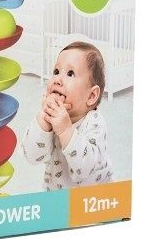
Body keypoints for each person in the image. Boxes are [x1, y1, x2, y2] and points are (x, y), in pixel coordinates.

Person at [20, 41, 112, 189]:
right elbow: (31, 157)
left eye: (70, 73)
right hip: (57, 195)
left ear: (91, 96)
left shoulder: (95, 122)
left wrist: (65, 130)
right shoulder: (51, 118)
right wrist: (43, 120)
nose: (57, 80)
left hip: (93, 198)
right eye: (56, 71)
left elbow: (85, 169)